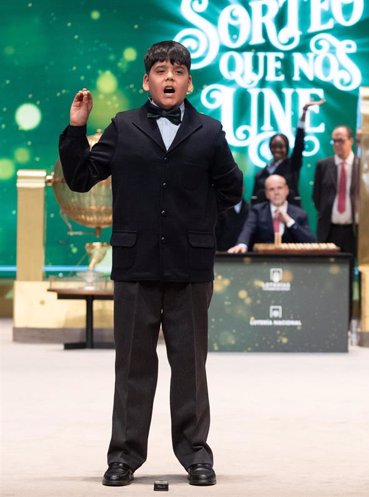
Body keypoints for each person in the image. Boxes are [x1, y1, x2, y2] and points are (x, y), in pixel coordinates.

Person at [59, 40, 243, 487]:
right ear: (146, 81)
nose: (169, 78)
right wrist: (76, 129)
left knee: (190, 365)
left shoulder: (209, 131)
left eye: (177, 71)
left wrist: (194, 223)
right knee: (133, 365)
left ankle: (196, 454)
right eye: (160, 71)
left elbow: (232, 191)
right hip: (135, 262)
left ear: (189, 82)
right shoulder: (122, 127)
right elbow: (82, 178)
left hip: (190, 265)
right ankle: (123, 456)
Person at [250, 100, 325, 206]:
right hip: (265, 217)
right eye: (274, 146)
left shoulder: (292, 165)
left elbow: (299, 144)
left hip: (289, 213)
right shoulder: (261, 174)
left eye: (281, 147)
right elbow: (254, 200)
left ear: (287, 148)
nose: (277, 150)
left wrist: (304, 113)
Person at [228, 174, 315, 253]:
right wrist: (242, 245)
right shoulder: (257, 211)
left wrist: (289, 221)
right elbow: (248, 230)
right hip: (264, 262)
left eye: (279, 188)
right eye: (271, 189)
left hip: (292, 262)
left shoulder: (300, 213)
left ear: (287, 190)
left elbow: (310, 242)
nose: (276, 193)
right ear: (267, 194)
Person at [312, 125, 359, 256]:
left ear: (351, 141)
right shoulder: (323, 165)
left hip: (355, 229)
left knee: (353, 270)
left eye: (341, 140)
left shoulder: (361, 165)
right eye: (334, 141)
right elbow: (317, 196)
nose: (337, 144)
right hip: (329, 228)